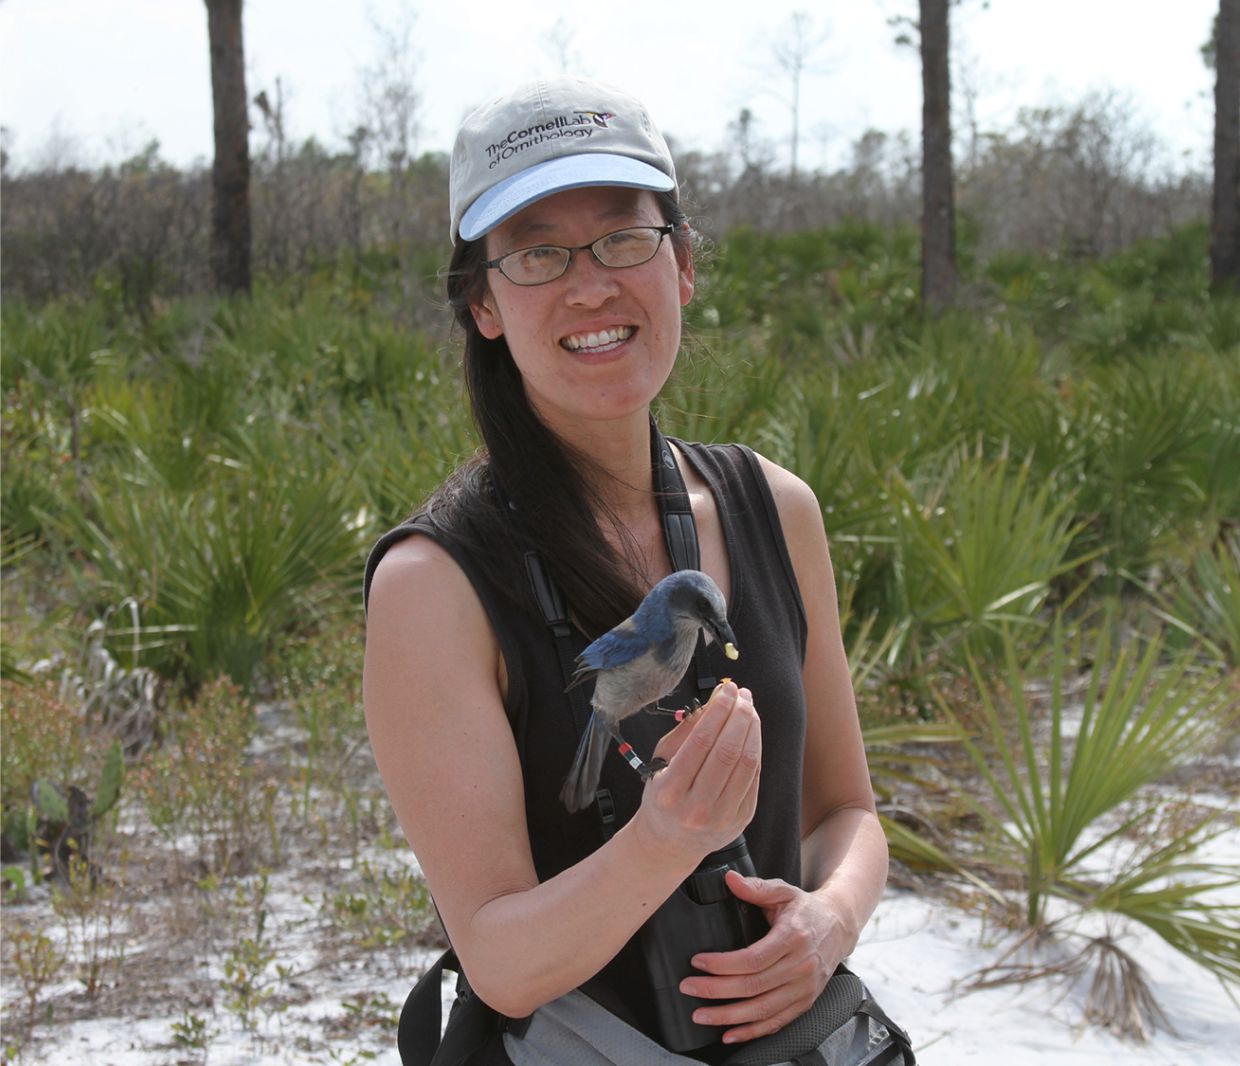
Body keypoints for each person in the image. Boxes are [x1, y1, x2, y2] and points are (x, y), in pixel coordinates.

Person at [362, 75, 889, 1065]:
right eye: (537, 252)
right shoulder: (433, 584)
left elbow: (844, 811)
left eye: (621, 237)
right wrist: (668, 834)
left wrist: (827, 922)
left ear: (683, 264)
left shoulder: (776, 510)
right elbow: (500, 962)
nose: (590, 283)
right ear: (480, 302)